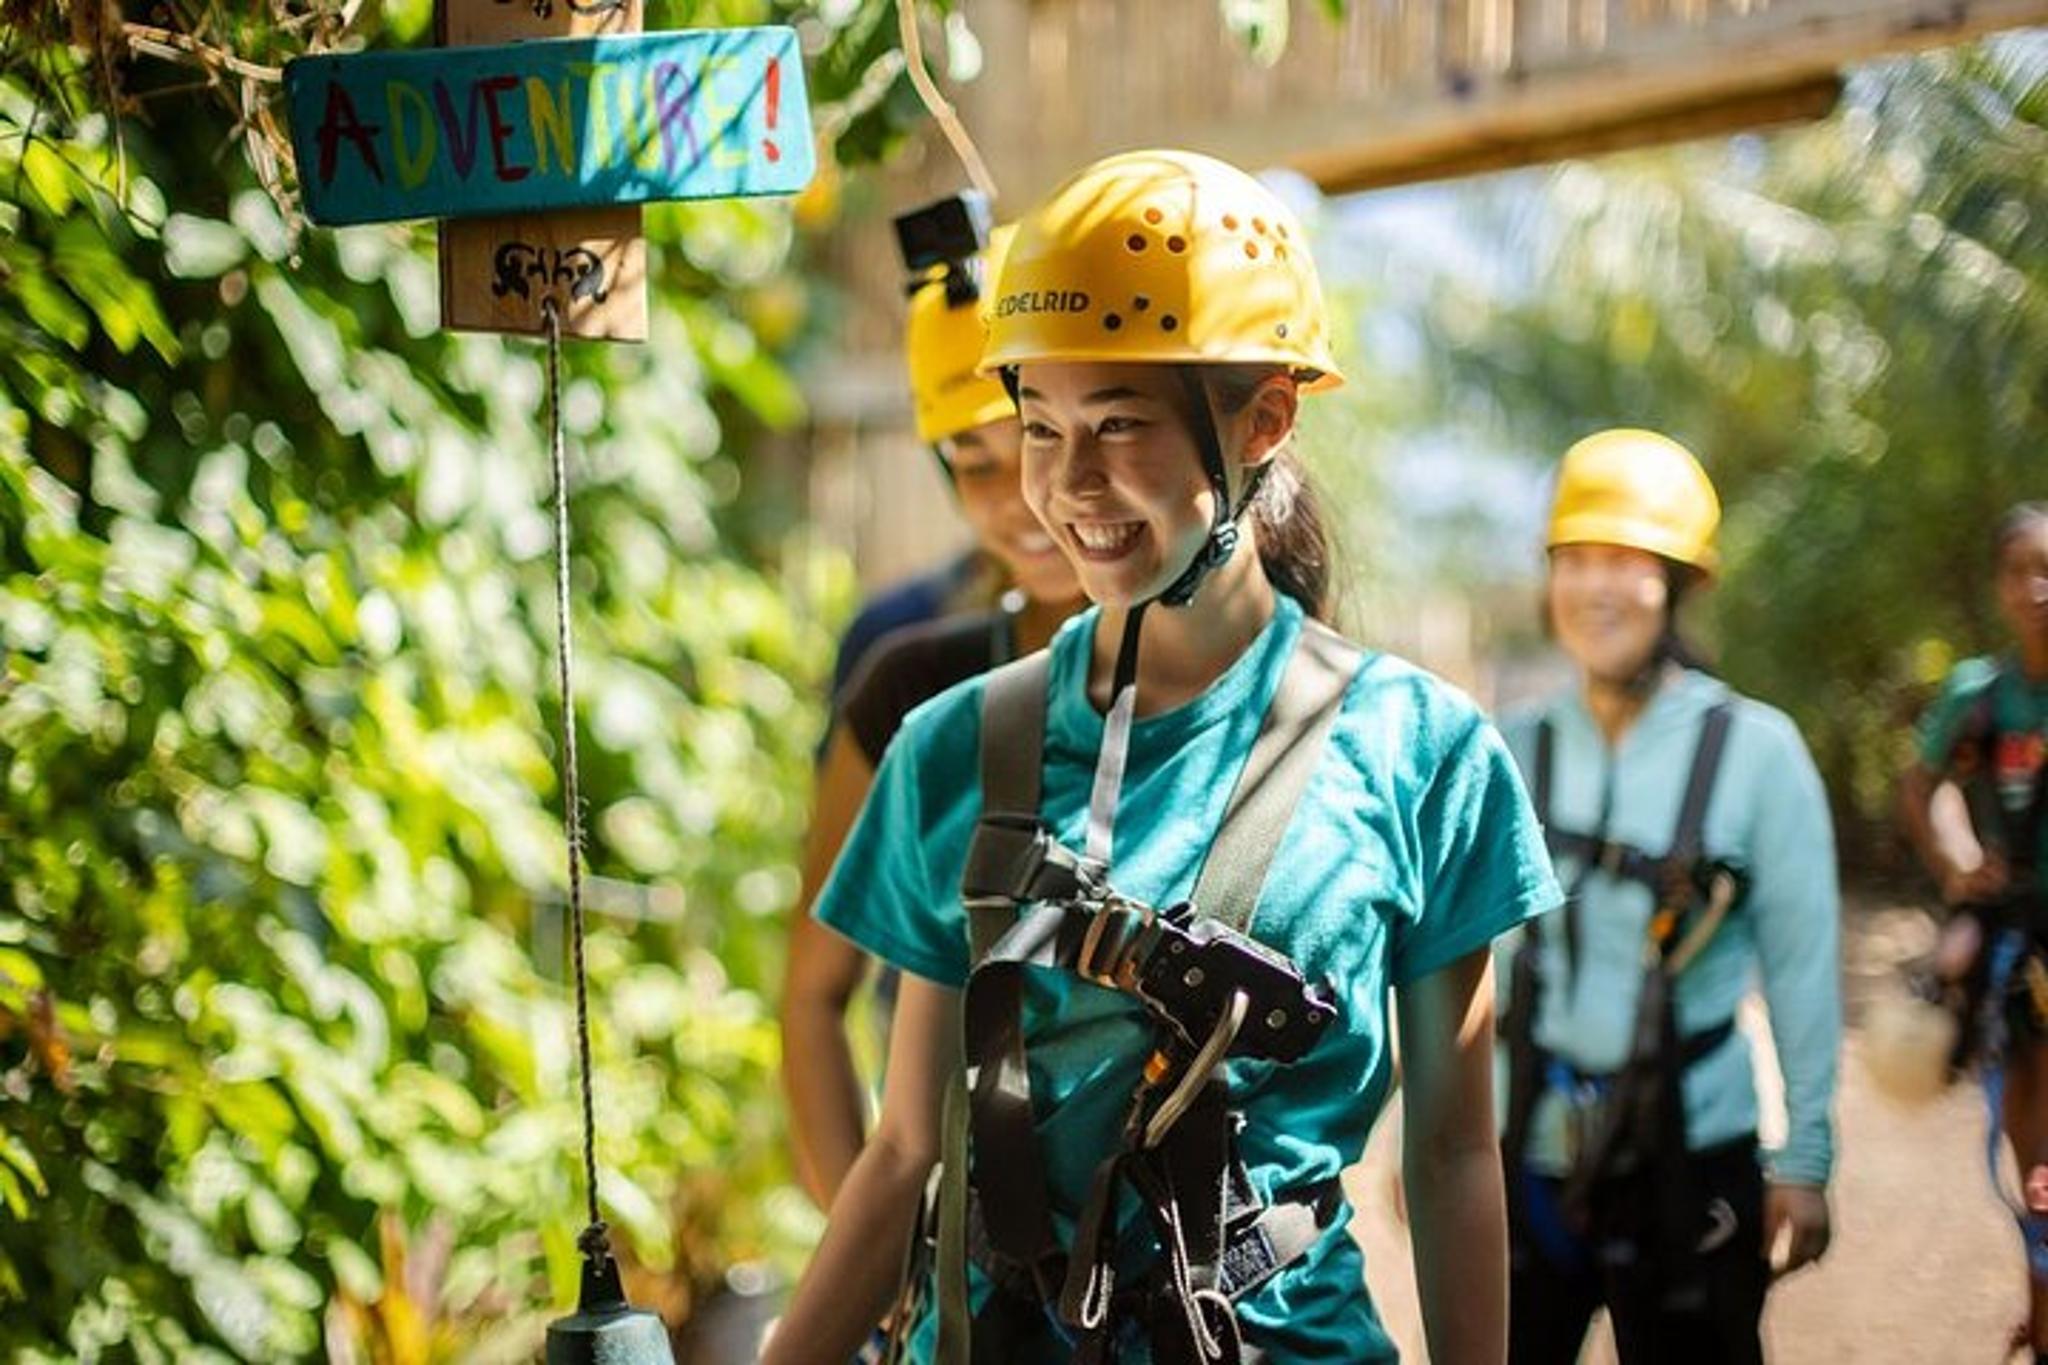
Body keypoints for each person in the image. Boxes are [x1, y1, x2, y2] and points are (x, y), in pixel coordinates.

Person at [764, 148, 1559, 1365]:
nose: (1066, 487)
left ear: (1265, 420)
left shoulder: (1421, 755)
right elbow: (903, 1153)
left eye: (1119, 425)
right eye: (1040, 427)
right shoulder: (948, 749)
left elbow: (1453, 1150)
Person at [1495, 430, 1840, 1365]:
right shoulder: (1513, 746)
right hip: (1528, 1145)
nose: (1595, 588)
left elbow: (1804, 967)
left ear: (1679, 583)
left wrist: (1804, 1159)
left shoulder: (1758, 753)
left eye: (1625, 562)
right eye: (1575, 560)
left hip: (1696, 1155)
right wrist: (1439, 1146)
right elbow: (1472, 964)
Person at [782, 219, 1087, 1211]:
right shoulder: (908, 668)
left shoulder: (1224, 670)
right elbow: (812, 990)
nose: (1023, 503)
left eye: (1036, 441)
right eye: (973, 461)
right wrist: (867, 1278)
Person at [1899, 500, 2048, 1363]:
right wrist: (1958, 862)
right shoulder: (1979, 695)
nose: (2037, 587)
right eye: (2019, 567)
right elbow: (1919, 784)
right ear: (1998, 584)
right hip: (2016, 935)